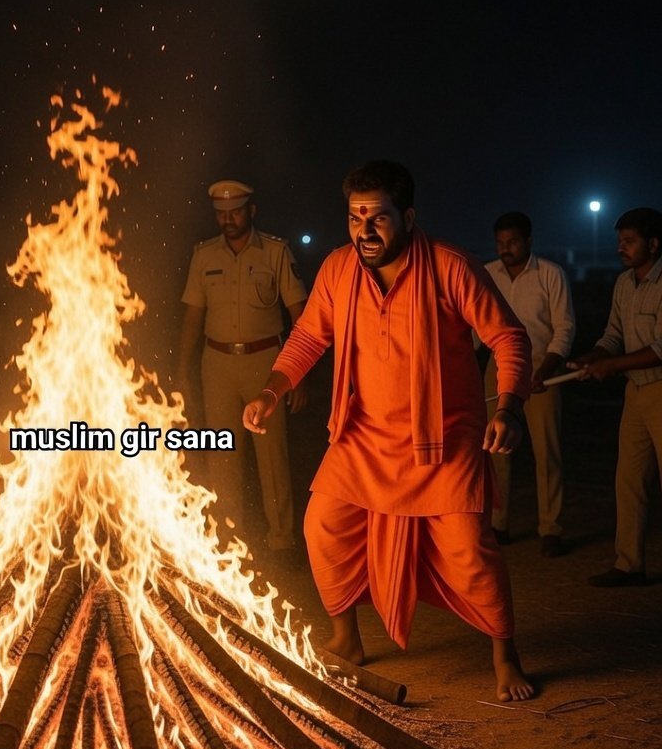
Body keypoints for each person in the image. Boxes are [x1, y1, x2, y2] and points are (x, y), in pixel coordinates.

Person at [244, 160, 535, 701]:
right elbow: (309, 336)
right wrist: (272, 390)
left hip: (443, 439)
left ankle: (505, 655)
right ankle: (347, 638)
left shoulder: (451, 267)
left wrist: (510, 407)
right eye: (355, 218)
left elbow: (509, 338)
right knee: (322, 527)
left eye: (378, 218)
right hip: (364, 435)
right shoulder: (338, 269)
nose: (365, 231)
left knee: (471, 551)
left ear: (408, 217)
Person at [176, 180, 307, 556]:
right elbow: (193, 317)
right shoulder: (204, 256)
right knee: (222, 453)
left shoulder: (276, 252)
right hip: (216, 364)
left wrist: (298, 375)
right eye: (221, 214)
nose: (228, 219)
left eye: (235, 212)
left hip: (266, 362)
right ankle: (230, 539)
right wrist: (183, 370)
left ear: (251, 211)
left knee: (272, 455)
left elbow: (300, 315)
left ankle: (281, 540)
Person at [568, 207, 662, 587]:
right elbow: (613, 335)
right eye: (620, 241)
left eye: (629, 241)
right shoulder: (624, 283)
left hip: (659, 388)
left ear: (653, 244)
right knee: (629, 479)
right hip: (636, 391)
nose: (621, 248)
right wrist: (593, 357)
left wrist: (612, 365)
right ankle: (629, 565)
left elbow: (661, 348)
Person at [483, 212, 576, 556]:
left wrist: (546, 369)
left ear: (528, 241)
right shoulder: (487, 274)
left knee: (546, 450)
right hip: (497, 367)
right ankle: (498, 523)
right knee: (495, 449)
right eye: (500, 243)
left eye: (512, 242)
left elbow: (564, 327)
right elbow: (475, 330)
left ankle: (550, 528)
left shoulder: (550, 274)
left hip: (541, 366)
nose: (505, 249)